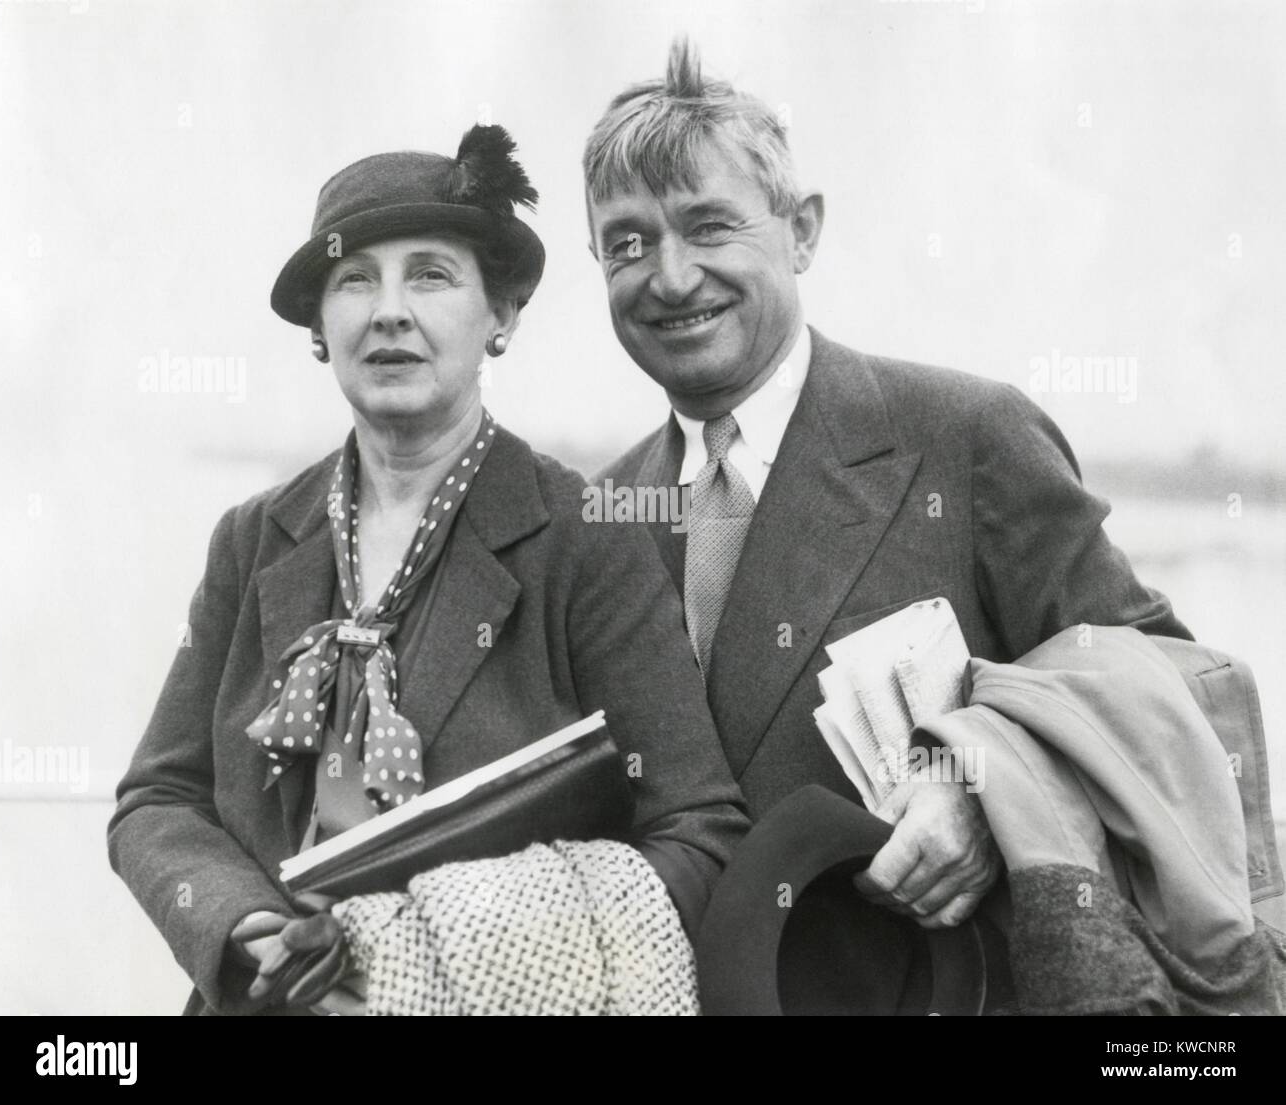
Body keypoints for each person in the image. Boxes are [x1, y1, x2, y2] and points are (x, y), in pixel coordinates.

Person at [108, 124, 749, 1016]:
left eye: (432, 275)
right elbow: (157, 797)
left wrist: (454, 957)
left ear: (502, 316)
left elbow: (699, 829)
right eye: (354, 280)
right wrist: (246, 930)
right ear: (319, 331)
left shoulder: (582, 538)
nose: (389, 311)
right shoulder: (254, 540)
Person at [585, 42, 1192, 936]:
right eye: (628, 243)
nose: (670, 276)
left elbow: (1159, 681)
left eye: (710, 226)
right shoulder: (598, 515)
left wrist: (988, 791)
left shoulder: (966, 436)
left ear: (802, 231)